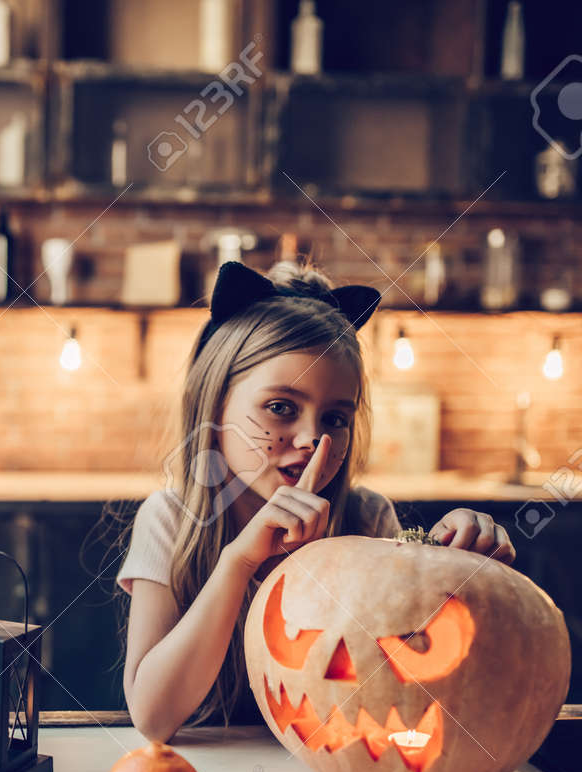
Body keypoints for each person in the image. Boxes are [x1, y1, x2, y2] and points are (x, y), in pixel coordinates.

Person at [117, 260, 516, 743]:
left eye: (335, 418)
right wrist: (239, 560)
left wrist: (455, 574)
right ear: (215, 404)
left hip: (341, 769)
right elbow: (153, 719)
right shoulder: (169, 521)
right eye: (281, 408)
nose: (311, 438)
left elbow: (410, 680)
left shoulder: (366, 519)